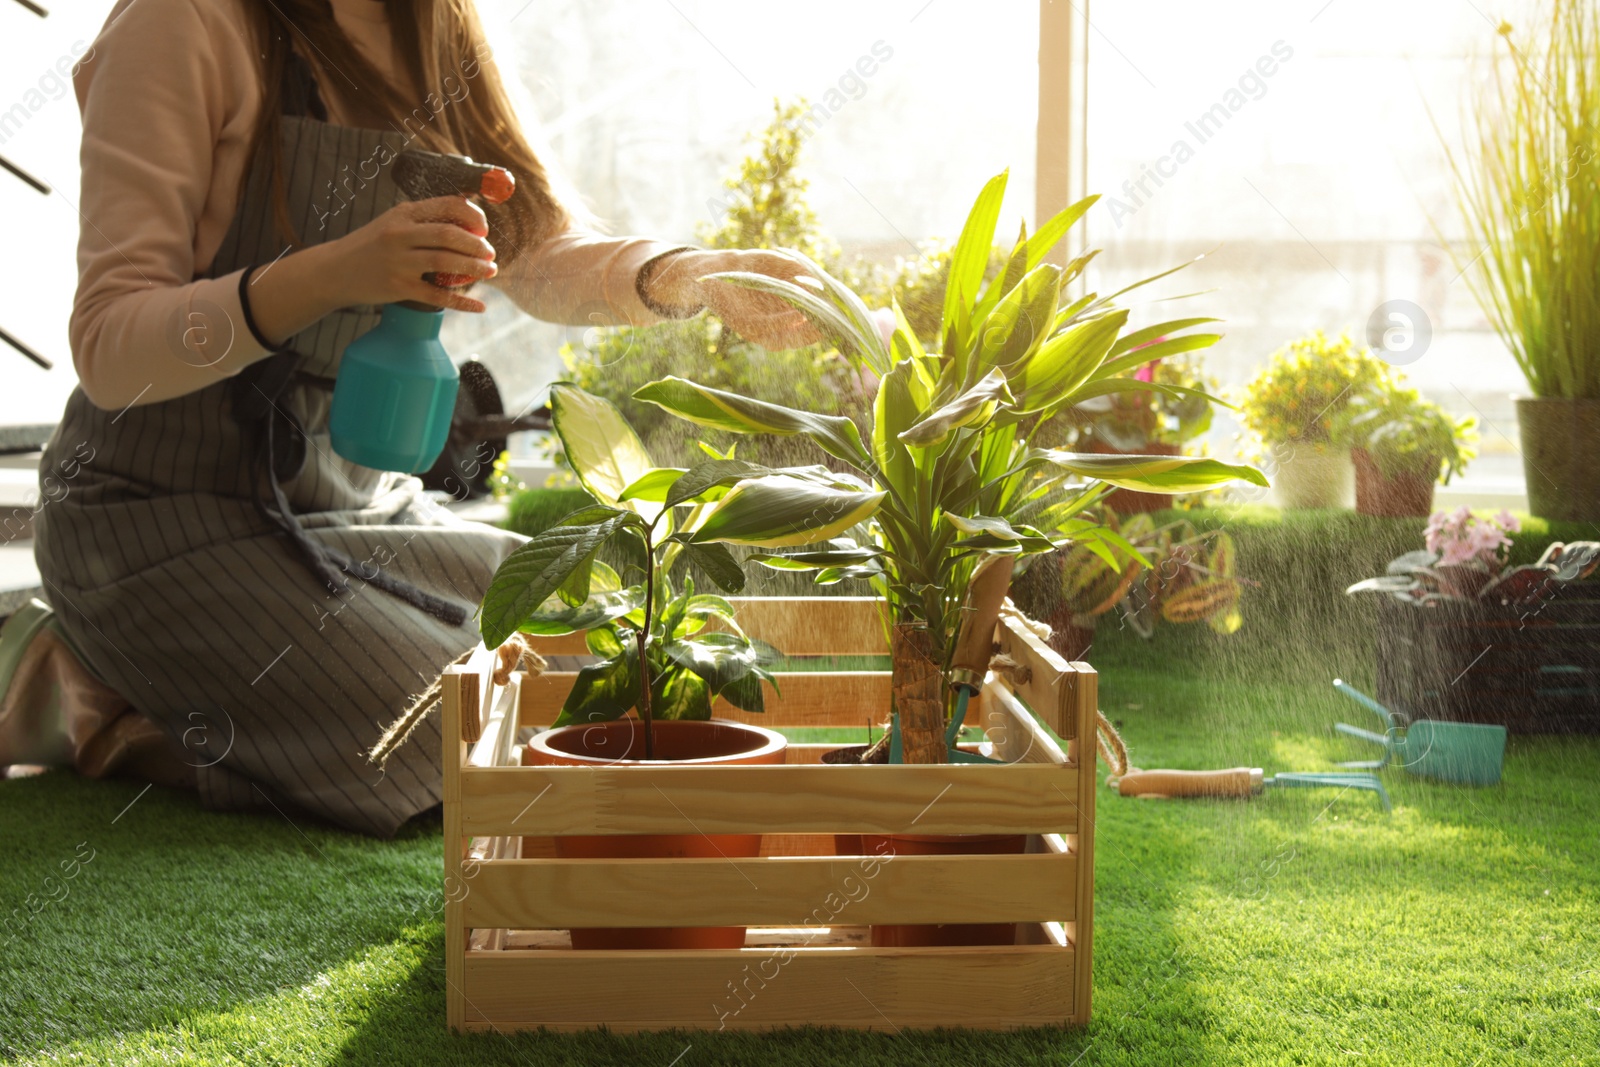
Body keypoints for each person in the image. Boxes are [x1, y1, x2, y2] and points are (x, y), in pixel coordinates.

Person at [25, 0, 818, 836]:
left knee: (611, 654)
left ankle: (207, 702)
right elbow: (110, 343)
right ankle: (87, 683)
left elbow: (536, 249)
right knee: (449, 722)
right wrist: (336, 273)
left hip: (356, 508)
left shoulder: (432, 22)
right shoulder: (178, 22)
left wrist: (693, 275)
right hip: (160, 519)